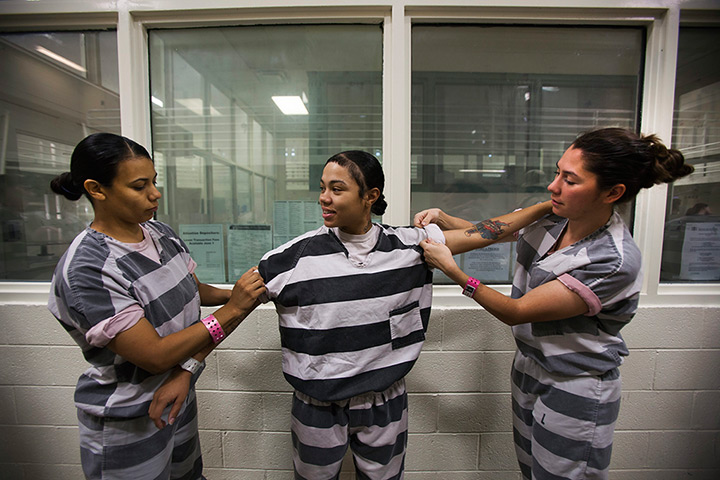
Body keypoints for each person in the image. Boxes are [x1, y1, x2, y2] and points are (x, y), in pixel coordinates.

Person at [416, 127, 694, 480]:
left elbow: (516, 311)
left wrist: (454, 272)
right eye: (557, 172)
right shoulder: (556, 213)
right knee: (532, 471)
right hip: (531, 368)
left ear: (613, 192)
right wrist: (445, 219)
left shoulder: (612, 259)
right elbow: (495, 231)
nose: (553, 186)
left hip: (574, 383)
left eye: (570, 179)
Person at [256, 150, 553, 479]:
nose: (324, 198)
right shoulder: (290, 258)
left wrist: (544, 207)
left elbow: (486, 232)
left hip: (385, 401)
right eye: (322, 187)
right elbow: (238, 304)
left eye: (337, 189)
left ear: (371, 196)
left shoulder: (410, 246)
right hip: (316, 404)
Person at [48, 132, 266, 480]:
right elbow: (155, 355)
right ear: (96, 189)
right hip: (129, 420)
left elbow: (190, 290)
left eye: (154, 181)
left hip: (176, 398)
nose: (155, 194)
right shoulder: (89, 268)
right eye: (139, 186)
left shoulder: (159, 233)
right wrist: (233, 309)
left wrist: (233, 294)